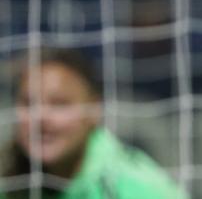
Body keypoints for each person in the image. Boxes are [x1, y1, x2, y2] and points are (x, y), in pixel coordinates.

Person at [1, 48, 184, 199]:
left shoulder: (134, 186)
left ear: (94, 110)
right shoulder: (9, 178)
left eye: (59, 104)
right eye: (28, 103)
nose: (40, 118)